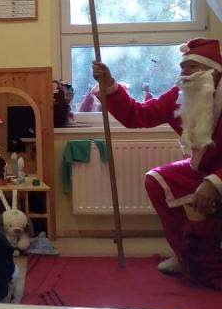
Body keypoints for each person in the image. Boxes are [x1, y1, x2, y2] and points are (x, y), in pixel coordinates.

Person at [92, 37, 222, 286]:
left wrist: (214, 182)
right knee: (157, 180)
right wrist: (109, 84)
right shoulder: (180, 94)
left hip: (218, 173)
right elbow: (137, 115)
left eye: (192, 67)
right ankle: (184, 254)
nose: (184, 74)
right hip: (202, 168)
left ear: (213, 71)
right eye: (182, 67)